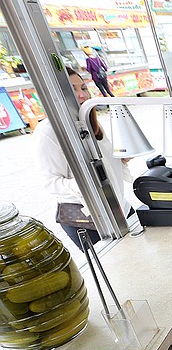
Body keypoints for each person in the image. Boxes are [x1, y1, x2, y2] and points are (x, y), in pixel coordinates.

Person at [35, 68, 131, 250]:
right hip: (88, 221)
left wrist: (121, 158)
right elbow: (50, 182)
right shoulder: (48, 132)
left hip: (119, 208)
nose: (81, 95)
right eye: (72, 90)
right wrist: (86, 182)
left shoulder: (87, 119)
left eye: (84, 88)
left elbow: (104, 162)